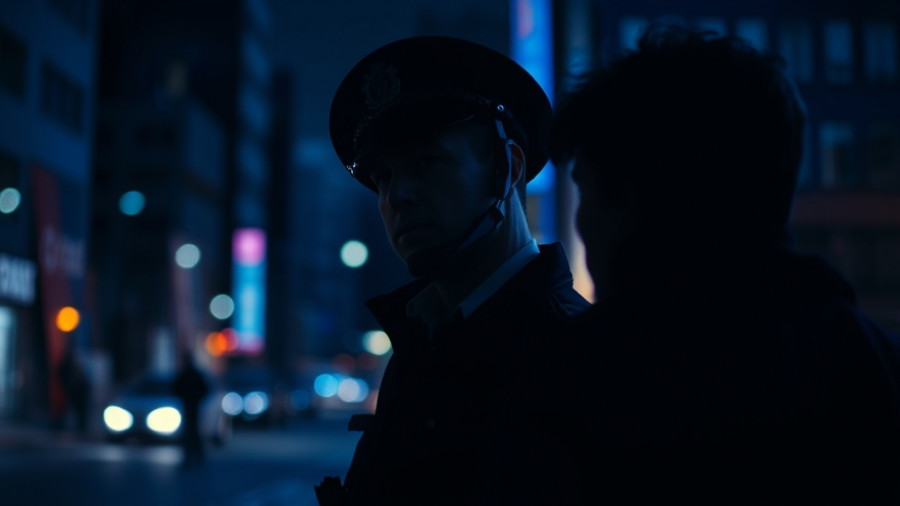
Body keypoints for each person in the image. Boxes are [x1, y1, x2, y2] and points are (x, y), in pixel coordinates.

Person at [546, 22, 900, 504]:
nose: (582, 221)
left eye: (584, 189)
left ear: (632, 198)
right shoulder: (874, 369)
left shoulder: (576, 384)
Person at [315, 36, 591, 505]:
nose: (397, 197)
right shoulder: (420, 342)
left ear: (506, 169)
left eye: (427, 163)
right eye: (384, 177)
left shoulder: (575, 358)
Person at [172, 350, 210, 469]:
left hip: (193, 405)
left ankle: (196, 457)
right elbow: (175, 388)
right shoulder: (186, 375)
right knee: (190, 432)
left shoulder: (192, 375)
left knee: (193, 432)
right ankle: (192, 457)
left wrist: (195, 397)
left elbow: (204, 389)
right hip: (188, 405)